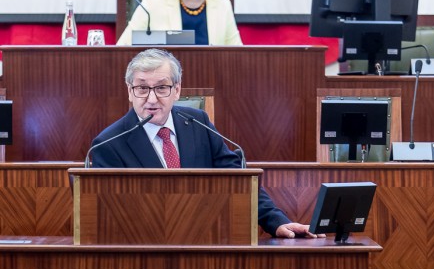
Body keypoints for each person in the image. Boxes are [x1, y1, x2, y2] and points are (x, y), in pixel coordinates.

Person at [90, 48, 320, 239]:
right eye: (142, 88)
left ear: (176, 90)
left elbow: (237, 179)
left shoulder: (197, 122)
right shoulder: (108, 144)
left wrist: (277, 222)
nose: (151, 98)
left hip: (208, 240)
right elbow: (113, 215)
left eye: (161, 88)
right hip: (145, 249)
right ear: (130, 91)